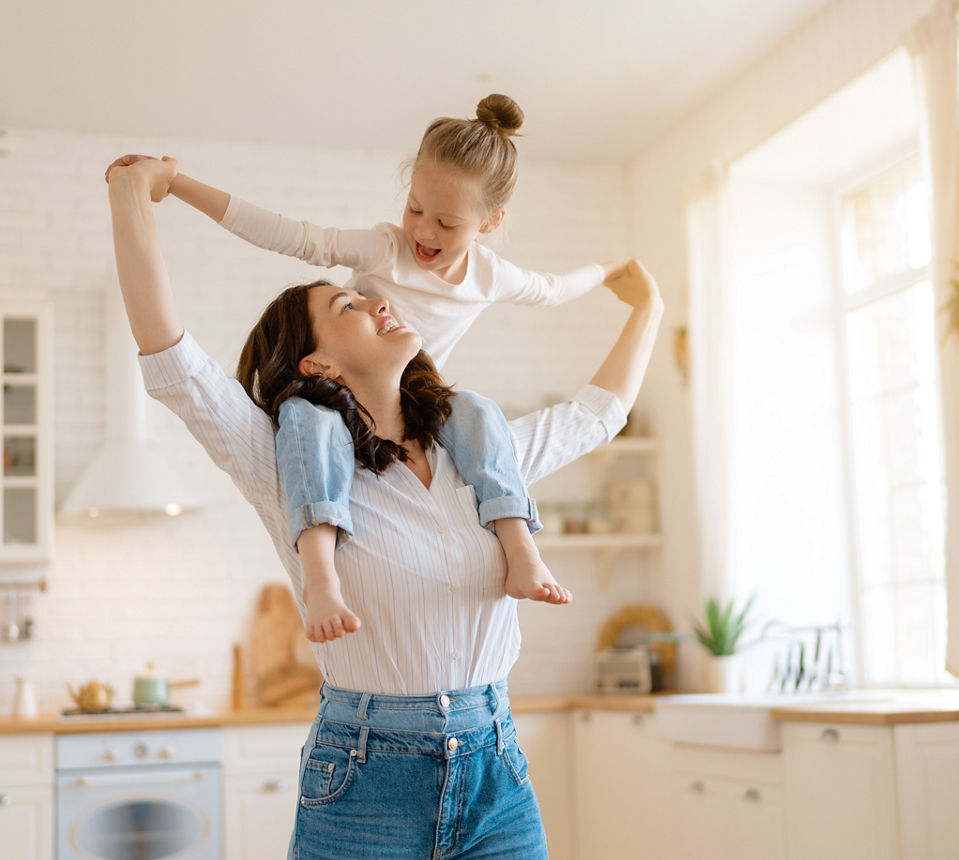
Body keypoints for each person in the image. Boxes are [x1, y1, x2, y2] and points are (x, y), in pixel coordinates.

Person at [105, 151, 663, 859]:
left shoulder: (479, 455)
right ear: (319, 365)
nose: (378, 299)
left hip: (496, 773)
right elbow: (172, 362)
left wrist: (651, 307)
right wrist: (134, 192)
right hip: (365, 782)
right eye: (348, 307)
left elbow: (594, 417)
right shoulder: (288, 462)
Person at [105, 94, 620, 644]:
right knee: (309, 421)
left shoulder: (490, 279)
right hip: (343, 403)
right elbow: (288, 233)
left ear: (490, 222)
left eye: (446, 222)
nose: (423, 231)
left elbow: (556, 292)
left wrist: (611, 272)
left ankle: (522, 550)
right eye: (415, 208)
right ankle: (320, 577)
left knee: (475, 409)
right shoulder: (385, 251)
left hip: (417, 400)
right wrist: (174, 185)